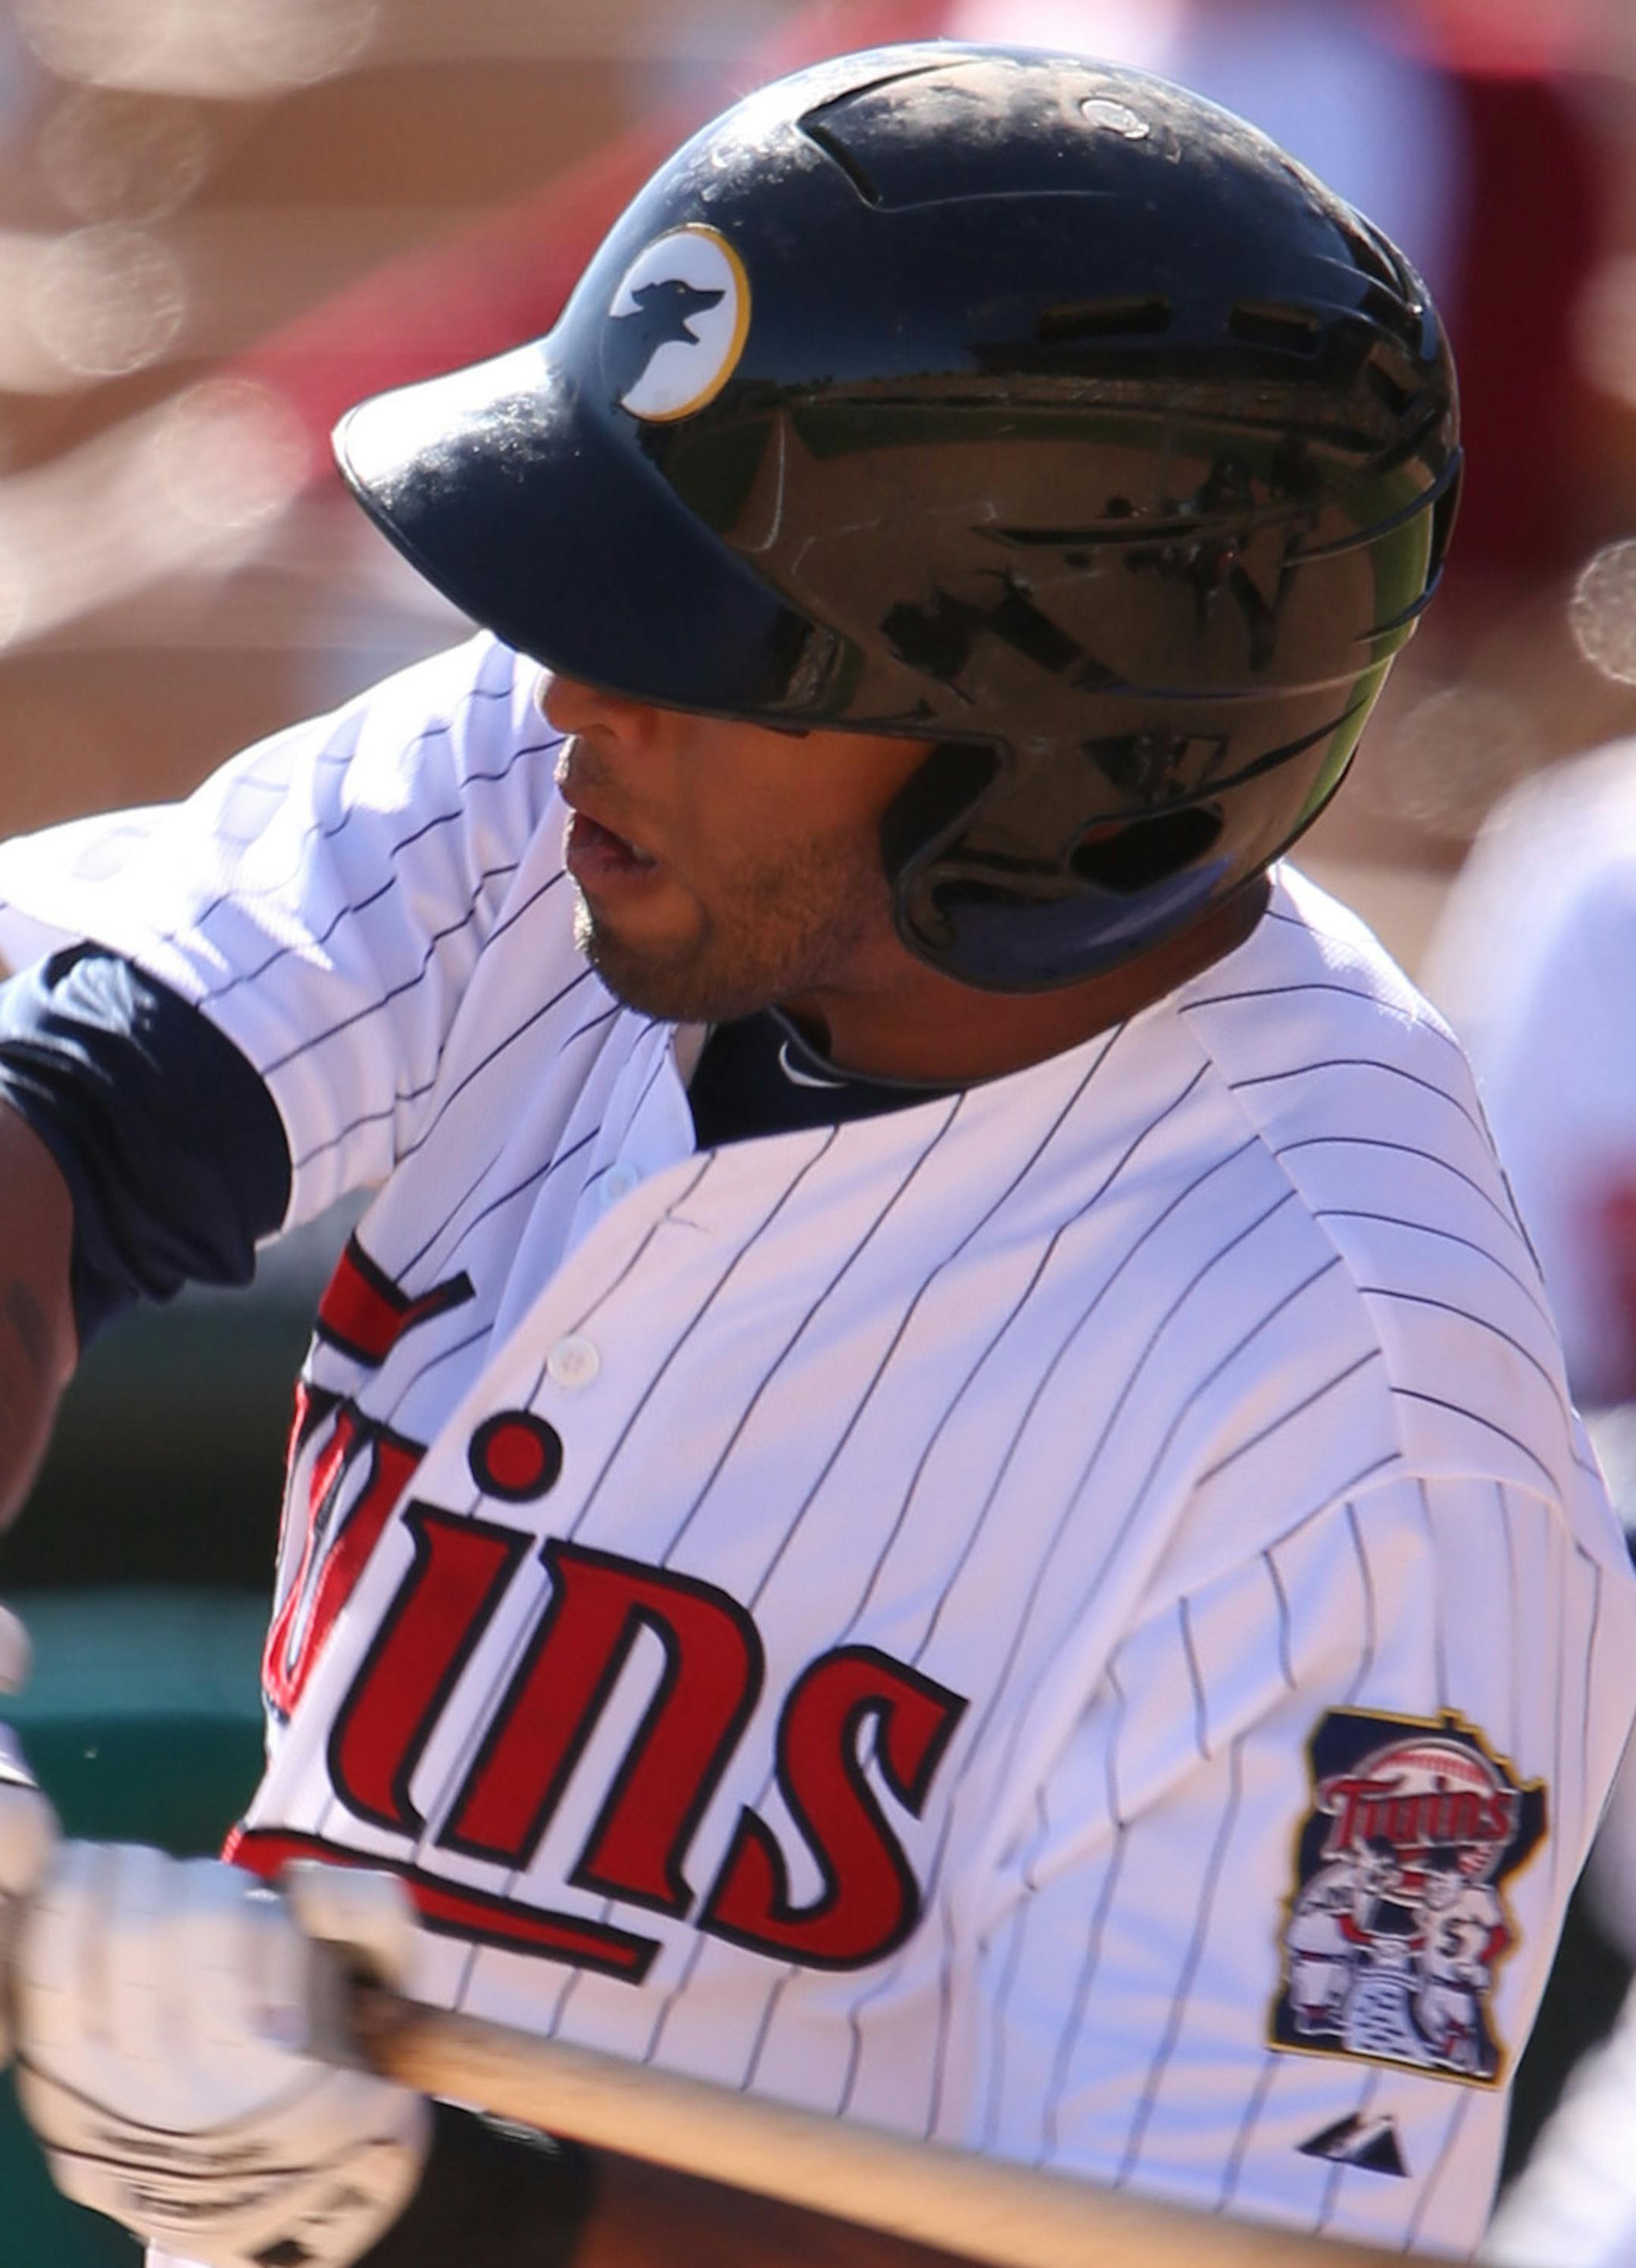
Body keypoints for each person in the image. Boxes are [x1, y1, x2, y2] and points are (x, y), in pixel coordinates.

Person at [0, 41, 1628, 2268]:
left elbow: (1242, 2259)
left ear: (1062, 769)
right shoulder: (591, 783)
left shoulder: (1367, 1434)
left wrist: (453, 2204)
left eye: (700, 640)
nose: (577, 683)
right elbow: (66, 1098)